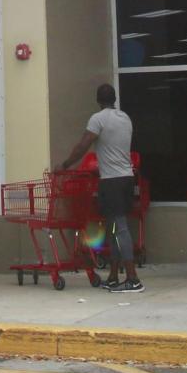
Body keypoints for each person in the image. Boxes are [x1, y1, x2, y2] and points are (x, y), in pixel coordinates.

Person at [58, 83, 143, 293]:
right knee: (113, 228)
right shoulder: (124, 118)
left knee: (119, 228)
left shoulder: (98, 119)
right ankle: (114, 276)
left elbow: (83, 145)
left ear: (98, 100)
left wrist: (66, 165)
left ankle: (133, 278)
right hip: (127, 179)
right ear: (114, 99)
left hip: (112, 182)